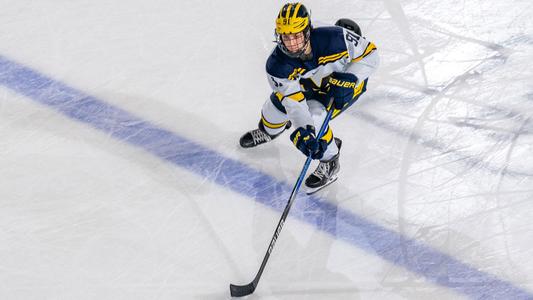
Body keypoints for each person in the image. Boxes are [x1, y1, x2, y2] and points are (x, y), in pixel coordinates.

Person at [239, 2, 379, 194]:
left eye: (296, 36)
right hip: (310, 82)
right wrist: (304, 130)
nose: (292, 44)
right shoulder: (276, 65)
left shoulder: (335, 38)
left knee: (317, 118)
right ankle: (270, 132)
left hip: (344, 86)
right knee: (273, 110)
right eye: (287, 37)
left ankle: (330, 161)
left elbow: (370, 55)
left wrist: (350, 79)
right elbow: (293, 101)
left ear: (307, 31)